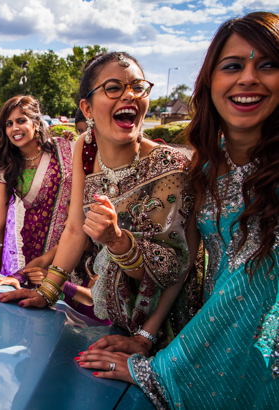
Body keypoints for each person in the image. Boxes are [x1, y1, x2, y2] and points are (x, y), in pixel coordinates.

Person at [77, 12, 279, 409]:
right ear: (211, 82)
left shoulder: (172, 165)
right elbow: (188, 263)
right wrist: (146, 339)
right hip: (210, 336)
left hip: (256, 350)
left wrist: (157, 368)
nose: (249, 78)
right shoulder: (205, 165)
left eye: (269, 64)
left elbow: (250, 283)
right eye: (233, 66)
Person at [0, 52, 203, 355]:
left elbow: (176, 268)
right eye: (113, 88)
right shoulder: (85, 146)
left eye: (138, 87)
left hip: (162, 327)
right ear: (87, 108)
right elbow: (75, 229)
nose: (129, 95)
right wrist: (48, 292)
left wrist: (145, 337)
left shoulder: (169, 168)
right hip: (104, 314)